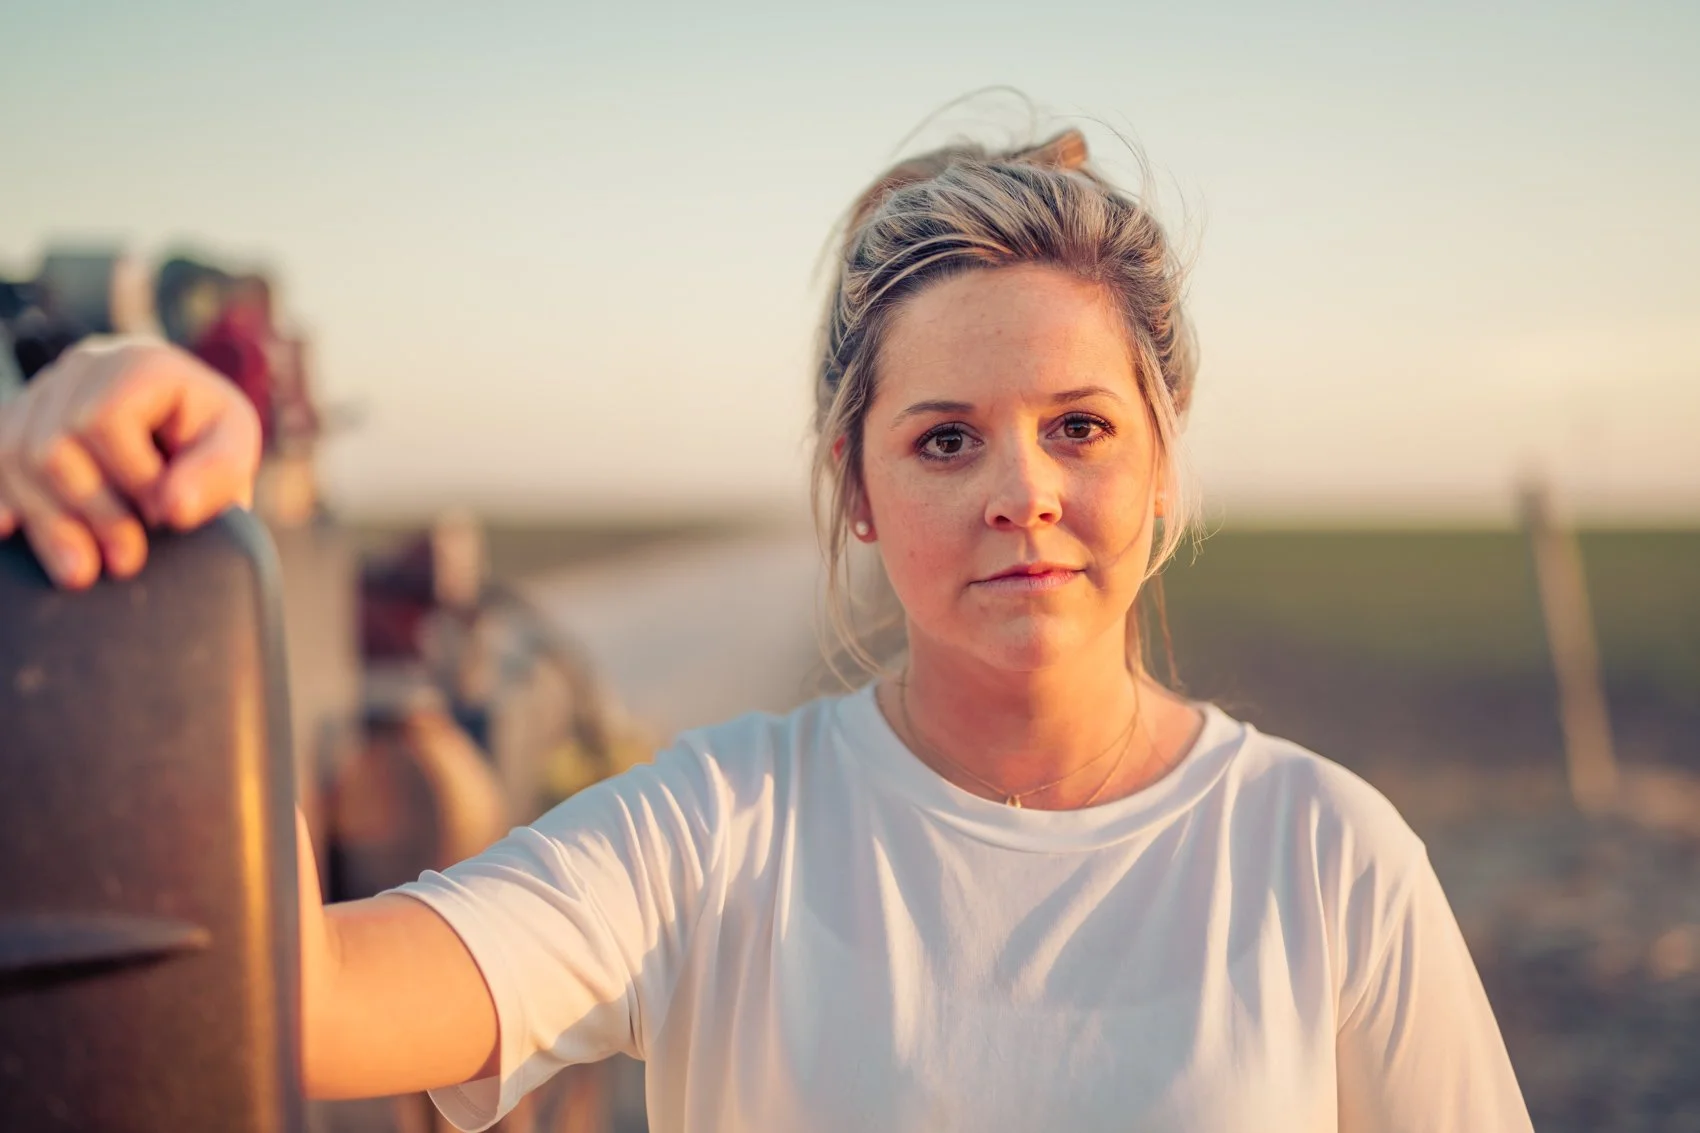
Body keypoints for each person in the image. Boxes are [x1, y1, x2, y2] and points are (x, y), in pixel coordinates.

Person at [0, 126, 1534, 1132]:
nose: (1023, 491)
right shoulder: (719, 829)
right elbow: (304, 1004)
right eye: (945, 439)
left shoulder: (1327, 858)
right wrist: (128, 469)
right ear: (856, 493)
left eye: (1079, 426)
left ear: (1159, 461)